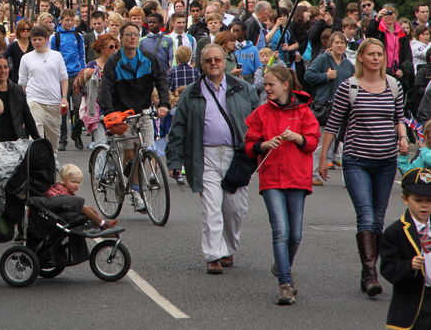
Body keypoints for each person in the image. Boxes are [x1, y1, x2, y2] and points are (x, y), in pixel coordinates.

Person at [318, 38, 408, 297]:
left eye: (380, 54)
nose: (377, 58)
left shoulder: (394, 85)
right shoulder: (349, 87)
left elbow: (399, 117)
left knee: (378, 219)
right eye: (372, 54)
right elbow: (333, 124)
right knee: (366, 216)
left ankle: (367, 269)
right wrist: (323, 158)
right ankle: (371, 273)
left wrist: (402, 137)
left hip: (386, 160)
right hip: (357, 158)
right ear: (361, 58)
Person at [166, 43, 260, 274]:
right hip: (204, 155)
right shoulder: (192, 91)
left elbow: (259, 120)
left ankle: (228, 248)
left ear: (225, 61)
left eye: (217, 59)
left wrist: (259, 148)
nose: (213, 64)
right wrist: (174, 160)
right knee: (211, 206)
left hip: (235, 156)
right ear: (201, 64)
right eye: (208, 60)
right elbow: (178, 128)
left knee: (235, 208)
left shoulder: (243, 88)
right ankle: (213, 255)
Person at [244, 66, 320, 305]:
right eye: (265, 85)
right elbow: (249, 144)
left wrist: (297, 137)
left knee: (295, 235)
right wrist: (264, 145)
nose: (266, 89)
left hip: (297, 177)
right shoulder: (261, 112)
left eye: (270, 85)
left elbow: (312, 142)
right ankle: (285, 284)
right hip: (272, 178)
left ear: (285, 85)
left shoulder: (304, 111)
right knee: (280, 231)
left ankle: (281, 265)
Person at [98, 21, 171, 211]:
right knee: (130, 153)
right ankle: (135, 193)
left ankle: (138, 183)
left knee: (145, 150)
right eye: (128, 34)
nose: (132, 37)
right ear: (121, 39)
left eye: (135, 34)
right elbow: (105, 89)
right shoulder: (114, 62)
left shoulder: (148, 59)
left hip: (143, 111)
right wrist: (109, 112)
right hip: (121, 114)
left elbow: (162, 80)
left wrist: (163, 103)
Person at [379, 167, 431, 330]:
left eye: (429, 201)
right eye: (418, 200)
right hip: (416, 298)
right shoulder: (396, 232)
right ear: (405, 199)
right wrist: (409, 266)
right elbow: (388, 268)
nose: (424, 206)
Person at [305, 32, 354, 182]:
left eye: (342, 43)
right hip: (325, 106)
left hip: (343, 108)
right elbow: (308, 76)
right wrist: (325, 76)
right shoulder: (323, 59)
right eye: (336, 43)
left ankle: (350, 179)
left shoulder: (348, 65)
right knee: (320, 143)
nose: (340, 45)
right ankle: (313, 175)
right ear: (330, 45)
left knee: (345, 143)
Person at [19, 26, 68, 152]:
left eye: (39, 39)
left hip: (54, 102)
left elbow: (63, 78)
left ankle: (52, 165)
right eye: (34, 39)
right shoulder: (26, 58)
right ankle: (37, 165)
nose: (36, 42)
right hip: (34, 101)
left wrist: (64, 98)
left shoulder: (56, 56)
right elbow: (23, 82)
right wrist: (26, 101)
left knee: (53, 142)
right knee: (36, 137)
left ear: (46, 39)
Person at [50, 9, 86, 151]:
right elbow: (53, 56)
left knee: (79, 107)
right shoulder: (56, 37)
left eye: (72, 20)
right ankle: (62, 138)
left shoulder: (78, 36)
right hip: (60, 77)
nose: (70, 23)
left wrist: (82, 72)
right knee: (62, 109)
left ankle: (76, 134)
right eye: (67, 20)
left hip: (76, 75)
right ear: (61, 21)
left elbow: (82, 55)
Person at [0, 55, 39, 142]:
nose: (3, 71)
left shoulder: (17, 90)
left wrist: (38, 140)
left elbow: (28, 118)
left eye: (5, 67)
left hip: (18, 142)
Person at [74, 33, 118, 147]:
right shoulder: (92, 66)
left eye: (116, 47)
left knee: (116, 145)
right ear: (102, 49)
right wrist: (88, 76)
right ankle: (100, 163)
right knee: (101, 143)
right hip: (96, 110)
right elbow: (82, 89)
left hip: (114, 108)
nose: (114, 50)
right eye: (111, 47)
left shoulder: (117, 65)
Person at [44, 164, 117, 229]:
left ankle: (101, 222)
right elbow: (63, 200)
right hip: (57, 210)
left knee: (89, 208)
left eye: (78, 183)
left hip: (61, 207)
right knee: (85, 209)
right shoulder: (60, 189)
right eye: (73, 182)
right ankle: (103, 225)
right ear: (63, 180)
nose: (76, 185)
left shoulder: (64, 188)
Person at [366, 4, 413, 89]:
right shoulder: (378, 31)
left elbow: (408, 56)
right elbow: (368, 36)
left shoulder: (402, 34)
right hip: (380, 71)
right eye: (385, 14)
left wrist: (403, 69)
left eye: (391, 13)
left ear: (395, 14)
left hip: (397, 73)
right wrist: (377, 19)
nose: (388, 16)